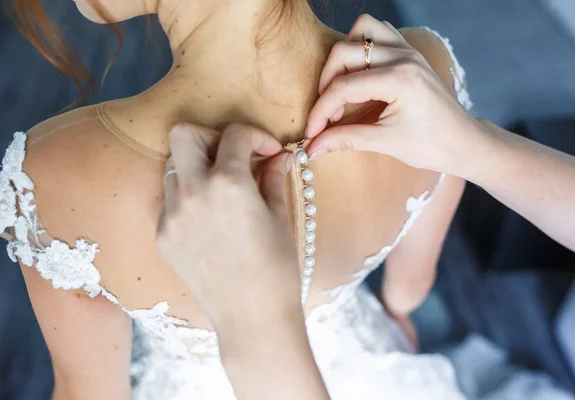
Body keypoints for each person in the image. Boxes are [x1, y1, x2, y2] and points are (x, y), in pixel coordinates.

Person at [3, 0, 472, 397]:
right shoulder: (424, 74)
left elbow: (93, 394)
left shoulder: (52, 174)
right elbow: (412, 283)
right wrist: (396, 315)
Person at [157, 21, 575, 399]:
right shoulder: (429, 63)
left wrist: (255, 324)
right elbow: (412, 280)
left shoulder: (88, 172)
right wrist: (473, 146)